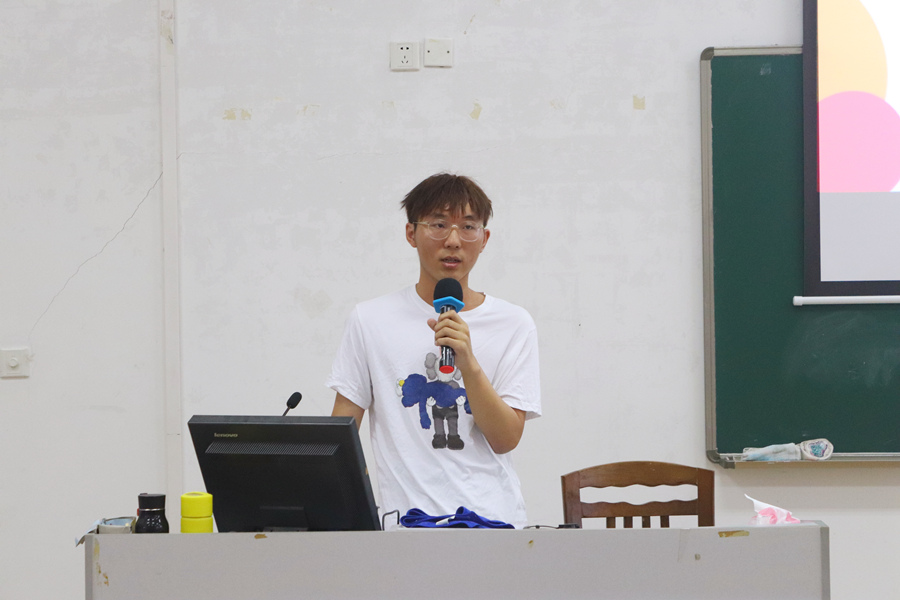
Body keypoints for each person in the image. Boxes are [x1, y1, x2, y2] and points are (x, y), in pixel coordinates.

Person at [327, 173, 541, 528]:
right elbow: (339, 436)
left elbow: (505, 439)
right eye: (438, 225)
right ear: (411, 233)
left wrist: (468, 363)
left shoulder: (514, 323)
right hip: (406, 526)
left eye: (468, 227)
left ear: (484, 239)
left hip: (491, 525)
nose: (453, 241)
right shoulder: (370, 319)